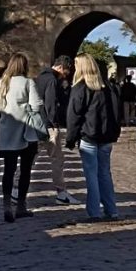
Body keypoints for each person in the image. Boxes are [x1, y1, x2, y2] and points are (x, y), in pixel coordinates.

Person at [66, 54, 122, 221]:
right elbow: (116, 113)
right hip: (106, 138)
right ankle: (111, 210)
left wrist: (70, 138)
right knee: (104, 174)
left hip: (89, 137)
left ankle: (94, 212)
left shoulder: (81, 88)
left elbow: (74, 116)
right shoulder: (108, 88)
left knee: (92, 176)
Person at [0, 53, 45, 223]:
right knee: (25, 170)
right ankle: (21, 206)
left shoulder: (2, 83)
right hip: (26, 132)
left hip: (7, 132)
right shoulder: (28, 82)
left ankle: (6, 204)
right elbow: (36, 106)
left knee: (8, 170)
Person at [35, 55, 80, 205]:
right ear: (60, 67)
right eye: (65, 72)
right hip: (49, 125)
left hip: (36, 123)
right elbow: (50, 103)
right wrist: (54, 123)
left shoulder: (40, 78)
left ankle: (15, 188)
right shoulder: (52, 80)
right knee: (57, 159)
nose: (64, 76)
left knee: (30, 158)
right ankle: (61, 193)